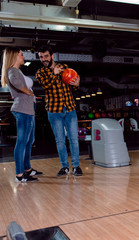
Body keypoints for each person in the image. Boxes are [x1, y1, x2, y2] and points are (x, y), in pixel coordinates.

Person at [36, 46, 83, 177]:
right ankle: (64, 166)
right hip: (54, 111)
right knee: (60, 140)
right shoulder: (40, 72)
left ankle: (76, 166)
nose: (43, 59)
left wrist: (77, 84)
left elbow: (73, 88)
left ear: (52, 56)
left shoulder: (64, 68)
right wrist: (53, 74)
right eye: (41, 57)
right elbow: (45, 85)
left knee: (74, 139)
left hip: (70, 108)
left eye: (45, 56)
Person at [1, 47, 43, 182]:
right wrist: (27, 91)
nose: (23, 57)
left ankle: (27, 169)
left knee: (29, 141)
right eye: (21, 54)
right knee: (22, 142)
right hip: (23, 110)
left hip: (28, 110)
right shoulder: (12, 71)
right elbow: (16, 82)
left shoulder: (17, 70)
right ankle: (20, 174)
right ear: (14, 56)